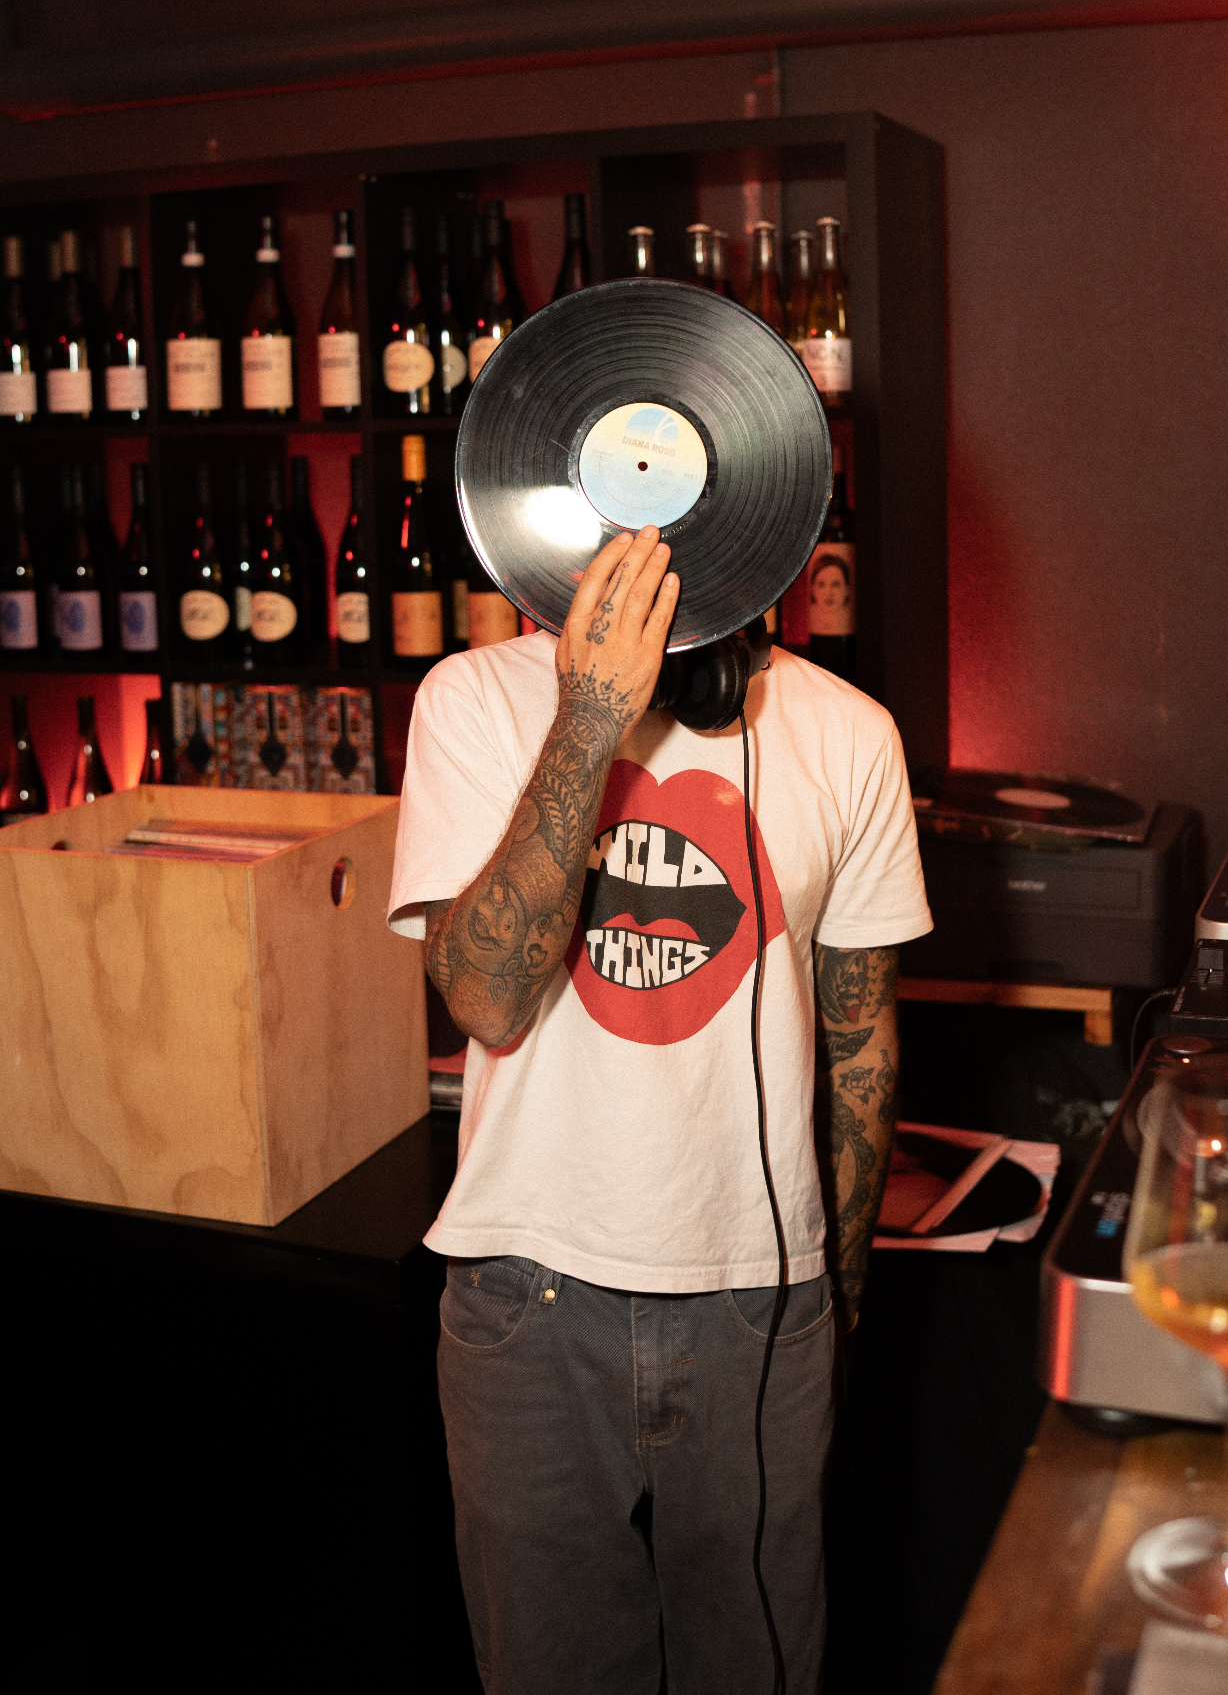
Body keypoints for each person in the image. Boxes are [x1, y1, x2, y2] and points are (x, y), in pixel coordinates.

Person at [387, 525, 931, 1694]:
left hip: (760, 1307)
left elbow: (859, 1044)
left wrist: (829, 1303)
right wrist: (588, 720)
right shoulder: (472, 699)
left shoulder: (850, 733)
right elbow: (483, 996)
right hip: (524, 1302)